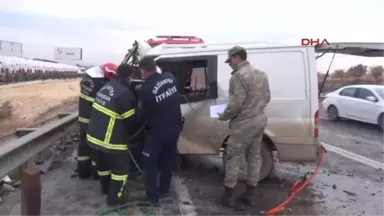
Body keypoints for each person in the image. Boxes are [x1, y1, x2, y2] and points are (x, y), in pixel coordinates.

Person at [217, 46, 271, 210]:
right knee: (254, 157)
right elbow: (267, 98)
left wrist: (223, 115)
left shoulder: (238, 77)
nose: (229, 64)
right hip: (259, 120)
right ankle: (249, 195)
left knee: (234, 157)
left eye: (230, 60)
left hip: (243, 124)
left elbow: (235, 105)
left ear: (237, 57)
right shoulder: (261, 74)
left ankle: (228, 197)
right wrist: (254, 109)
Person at [86, 63, 140, 206]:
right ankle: (114, 199)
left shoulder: (107, 87)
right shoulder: (124, 93)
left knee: (103, 167)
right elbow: (130, 121)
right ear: (129, 77)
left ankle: (105, 190)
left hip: (93, 139)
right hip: (110, 141)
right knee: (121, 170)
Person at [138, 56, 182, 205]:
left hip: (158, 132)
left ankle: (152, 197)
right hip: (175, 128)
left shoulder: (145, 89)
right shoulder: (170, 77)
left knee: (149, 162)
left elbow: (142, 115)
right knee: (168, 159)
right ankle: (164, 189)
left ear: (143, 71)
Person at [77, 63, 118, 180]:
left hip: (83, 117)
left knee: (84, 145)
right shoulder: (100, 84)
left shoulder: (87, 79)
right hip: (92, 119)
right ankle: (96, 173)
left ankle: (83, 172)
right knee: (96, 146)